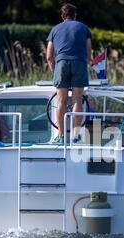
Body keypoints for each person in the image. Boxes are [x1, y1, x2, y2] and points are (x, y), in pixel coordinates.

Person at [46, 3, 92, 144]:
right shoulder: (84, 28)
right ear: (75, 15)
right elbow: (88, 54)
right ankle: (75, 135)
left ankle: (60, 136)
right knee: (77, 100)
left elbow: (49, 56)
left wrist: (55, 71)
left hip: (61, 63)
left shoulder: (54, 30)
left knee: (61, 101)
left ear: (62, 16)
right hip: (79, 62)